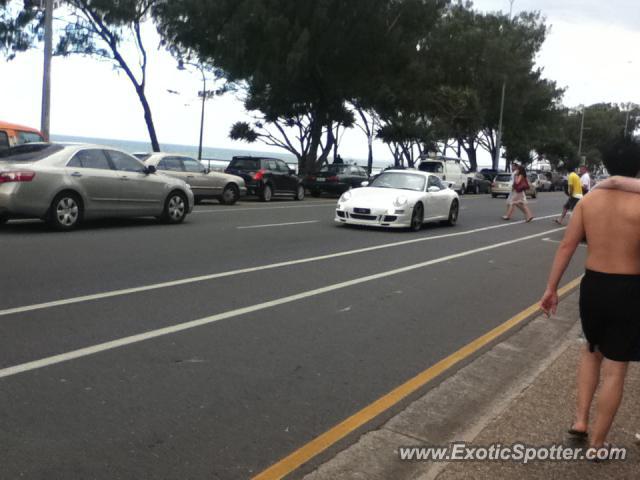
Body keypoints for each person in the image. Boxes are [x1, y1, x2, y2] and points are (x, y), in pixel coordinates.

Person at [540, 136, 640, 452]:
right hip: (629, 288)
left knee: (590, 351)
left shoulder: (590, 201)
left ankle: (580, 421)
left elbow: (568, 246)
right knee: (616, 366)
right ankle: (597, 443)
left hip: (594, 285)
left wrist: (551, 288)